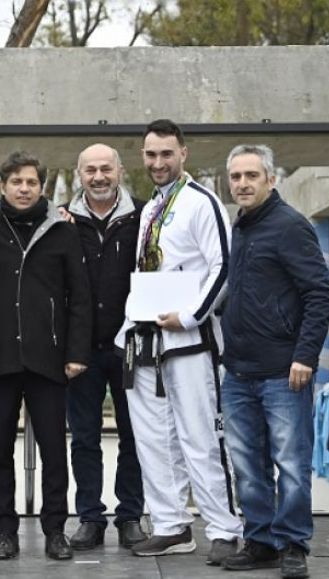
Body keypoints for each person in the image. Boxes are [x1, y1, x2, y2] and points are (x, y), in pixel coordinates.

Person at [116, 119, 243, 564]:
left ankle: (225, 528)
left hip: (189, 337)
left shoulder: (200, 202)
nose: (158, 162)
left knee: (200, 435)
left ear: (183, 154)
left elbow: (222, 267)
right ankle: (170, 525)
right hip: (145, 337)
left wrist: (190, 316)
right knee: (153, 438)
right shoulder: (152, 206)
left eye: (166, 153)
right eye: (151, 154)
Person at [0, 151, 90, 561]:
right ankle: (5, 534)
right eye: (16, 182)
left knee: (54, 450)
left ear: (42, 187)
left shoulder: (63, 232)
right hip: (0, 359)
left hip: (49, 360)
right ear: (2, 186)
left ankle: (55, 531)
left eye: (32, 182)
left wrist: (76, 353)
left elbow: (81, 298)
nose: (24, 188)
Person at [219, 145, 329, 579]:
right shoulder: (241, 228)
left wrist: (306, 356)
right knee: (247, 466)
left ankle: (292, 544)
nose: (243, 184)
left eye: (252, 175)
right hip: (238, 372)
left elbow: (321, 294)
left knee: (290, 463)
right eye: (236, 177)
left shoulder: (289, 226)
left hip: (283, 372)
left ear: (271, 179)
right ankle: (261, 541)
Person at [63, 144, 147, 550]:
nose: (99, 176)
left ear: (120, 171)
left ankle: (130, 516)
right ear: (79, 174)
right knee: (84, 438)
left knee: (136, 436)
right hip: (81, 351)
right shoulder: (60, 220)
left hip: (132, 348)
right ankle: (90, 518)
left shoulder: (145, 215)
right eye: (90, 170)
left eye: (106, 169)